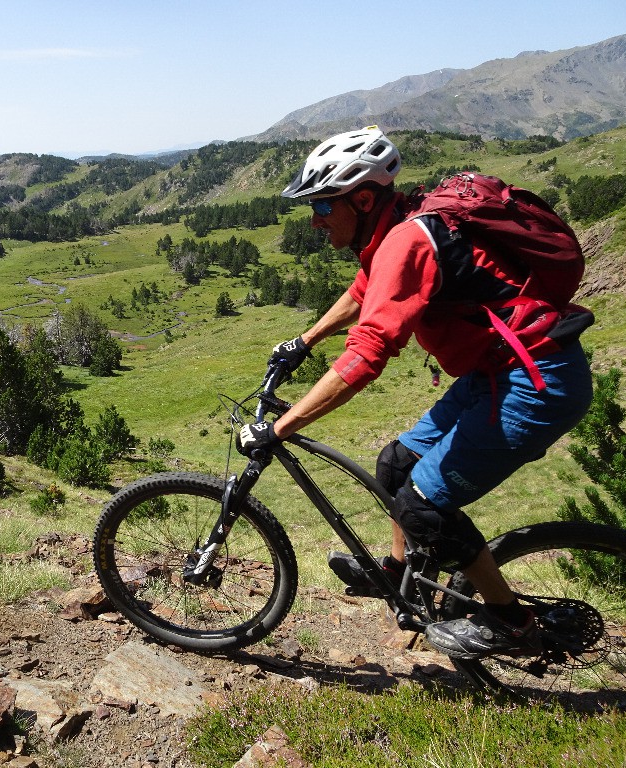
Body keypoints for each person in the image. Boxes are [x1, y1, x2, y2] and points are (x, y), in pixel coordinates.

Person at [237, 126, 594, 660]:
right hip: (494, 373)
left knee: (423, 506)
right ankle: (400, 573)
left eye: (321, 206)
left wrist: (279, 428)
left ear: (361, 198)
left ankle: (510, 623)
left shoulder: (407, 239)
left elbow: (367, 353)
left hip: (534, 383)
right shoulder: (399, 229)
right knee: (397, 464)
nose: (314, 220)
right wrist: (304, 340)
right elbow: (367, 291)